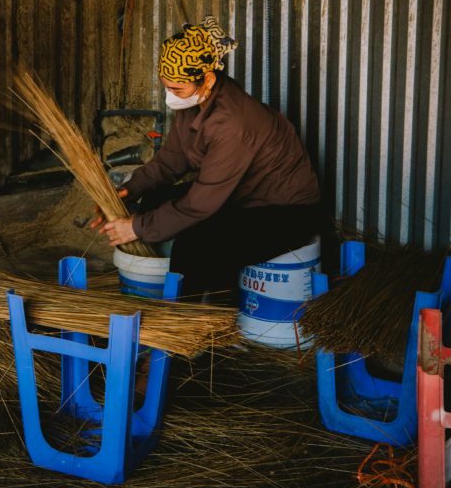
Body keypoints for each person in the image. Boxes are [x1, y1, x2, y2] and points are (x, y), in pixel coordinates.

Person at [93, 15, 323, 304]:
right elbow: (174, 158)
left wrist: (136, 227)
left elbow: (198, 206)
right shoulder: (197, 99)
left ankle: (191, 327)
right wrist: (132, 188)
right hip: (240, 194)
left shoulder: (233, 126)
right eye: (166, 87)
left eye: (176, 89)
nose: (169, 97)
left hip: (284, 211)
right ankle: (153, 295)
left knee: (197, 242)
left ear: (208, 79)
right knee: (155, 199)